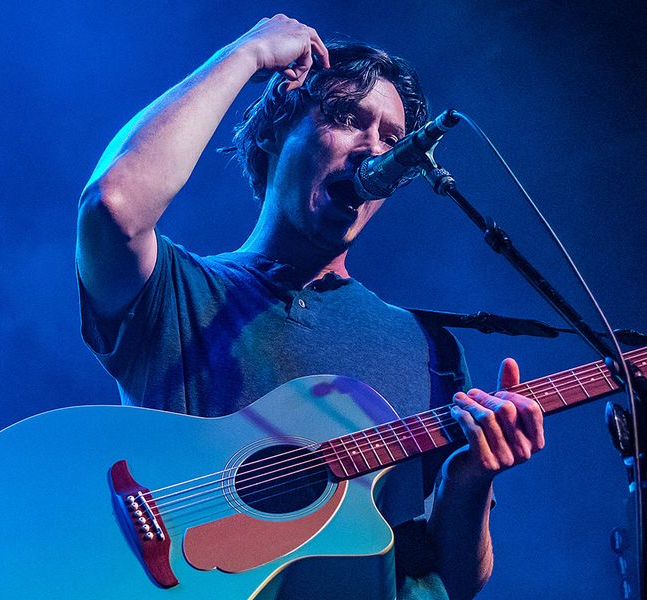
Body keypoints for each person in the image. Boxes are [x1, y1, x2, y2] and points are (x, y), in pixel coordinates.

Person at [76, 14, 545, 599]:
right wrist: (244, 54)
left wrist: (471, 480)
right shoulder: (177, 292)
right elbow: (112, 204)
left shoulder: (431, 349)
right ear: (275, 131)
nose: (373, 148)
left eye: (393, 139)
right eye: (347, 118)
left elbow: (455, 580)